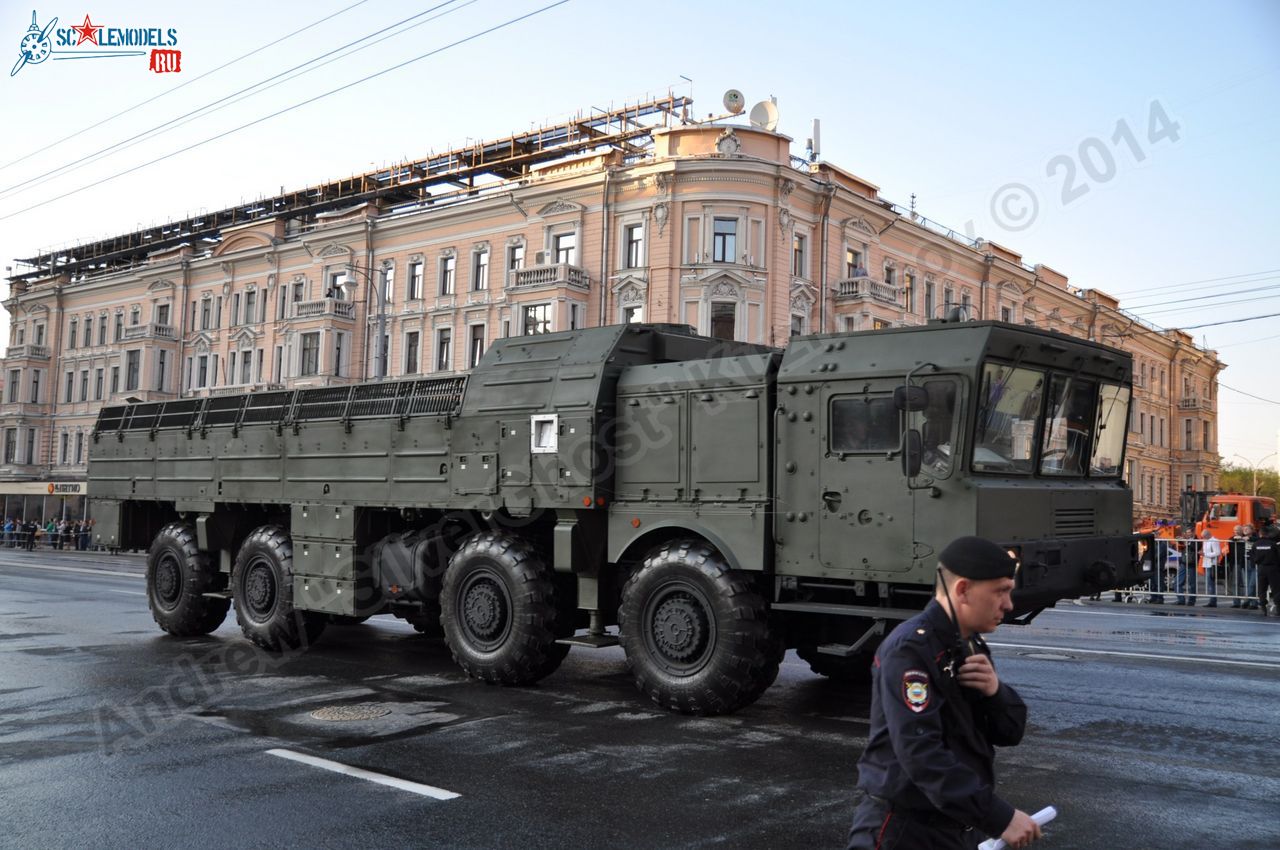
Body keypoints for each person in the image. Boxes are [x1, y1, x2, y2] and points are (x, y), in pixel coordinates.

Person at [845, 536, 1042, 850]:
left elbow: (1010, 732)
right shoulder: (911, 649)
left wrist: (996, 693)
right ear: (962, 590)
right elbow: (921, 752)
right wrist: (999, 817)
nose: (1009, 604)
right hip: (907, 831)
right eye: (1000, 591)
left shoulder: (968, 642)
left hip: (958, 826)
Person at [1255, 524, 1279, 616]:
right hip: (1273, 568)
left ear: (1260, 534)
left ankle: (1263, 608)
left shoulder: (1256, 544)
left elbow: (1253, 557)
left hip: (1261, 568)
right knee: (1276, 589)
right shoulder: (1273, 544)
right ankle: (1278, 609)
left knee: (1262, 589)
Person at [1200, 530, 1221, 608]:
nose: (1203, 538)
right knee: (1209, 583)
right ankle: (1212, 600)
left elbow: (1217, 552)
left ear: (1208, 535)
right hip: (1206, 564)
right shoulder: (1206, 541)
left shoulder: (1214, 541)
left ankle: (1213, 601)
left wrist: (1205, 554)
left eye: (1204, 537)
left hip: (1211, 564)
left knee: (1211, 583)